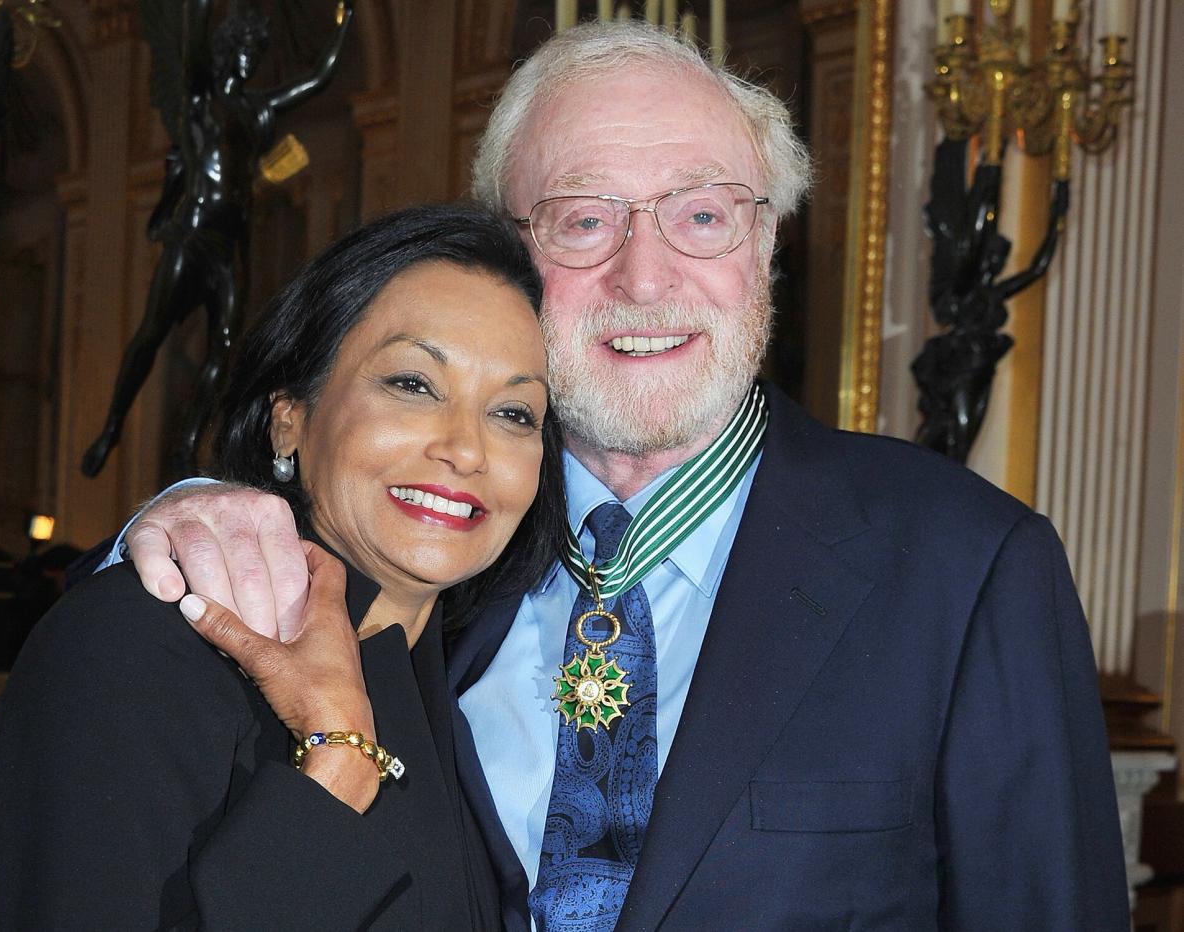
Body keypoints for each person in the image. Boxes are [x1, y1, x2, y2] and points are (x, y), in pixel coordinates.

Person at [102, 21, 1128, 931]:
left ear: (764, 244)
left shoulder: (967, 568)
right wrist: (182, 516)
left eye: (703, 215)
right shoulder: (424, 540)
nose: (644, 277)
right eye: (583, 219)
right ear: (504, 257)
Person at [0, 203, 566, 930]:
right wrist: (336, 761)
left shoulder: (454, 682)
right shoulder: (131, 646)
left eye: (514, 414)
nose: (467, 449)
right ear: (291, 412)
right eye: (413, 384)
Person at [80, 0, 355, 478]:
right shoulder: (202, 103)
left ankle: (188, 442)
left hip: (229, 247)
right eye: (244, 48)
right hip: (192, 234)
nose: (251, 58)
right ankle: (111, 426)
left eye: (257, 50)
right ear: (228, 50)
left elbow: (319, 77)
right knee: (151, 333)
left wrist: (345, 18)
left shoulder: (256, 110)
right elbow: (190, 53)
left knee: (224, 344)